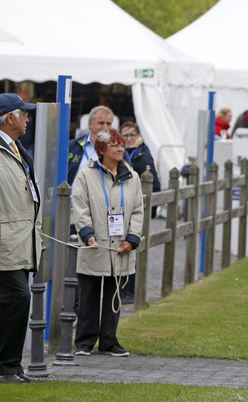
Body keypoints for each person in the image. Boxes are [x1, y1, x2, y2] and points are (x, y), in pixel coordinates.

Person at [72, 128, 144, 357]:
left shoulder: (133, 178)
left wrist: (132, 240)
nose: (121, 148)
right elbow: (80, 207)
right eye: (114, 145)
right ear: (102, 149)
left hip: (120, 247)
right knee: (89, 296)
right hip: (95, 243)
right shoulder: (85, 175)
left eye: (122, 144)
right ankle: (84, 342)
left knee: (114, 296)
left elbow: (139, 211)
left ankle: (109, 341)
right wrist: (87, 233)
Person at [0, 94, 43, 383]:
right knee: (18, 297)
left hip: (21, 239)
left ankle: (12, 366)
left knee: (15, 300)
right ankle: (6, 367)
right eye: (24, 114)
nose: (28, 119)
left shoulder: (16, 148)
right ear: (9, 118)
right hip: (6, 240)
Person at [118, 121, 161, 303]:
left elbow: (154, 184)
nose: (128, 139)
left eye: (131, 135)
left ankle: (131, 289)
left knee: (132, 247)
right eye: (125, 135)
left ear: (137, 136)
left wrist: (150, 210)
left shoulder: (142, 153)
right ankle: (121, 289)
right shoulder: (118, 151)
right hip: (120, 207)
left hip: (136, 207)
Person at [67, 106, 115, 185]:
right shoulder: (72, 146)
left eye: (108, 124)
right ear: (90, 125)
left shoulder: (119, 150)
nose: (105, 127)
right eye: (101, 123)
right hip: (74, 197)